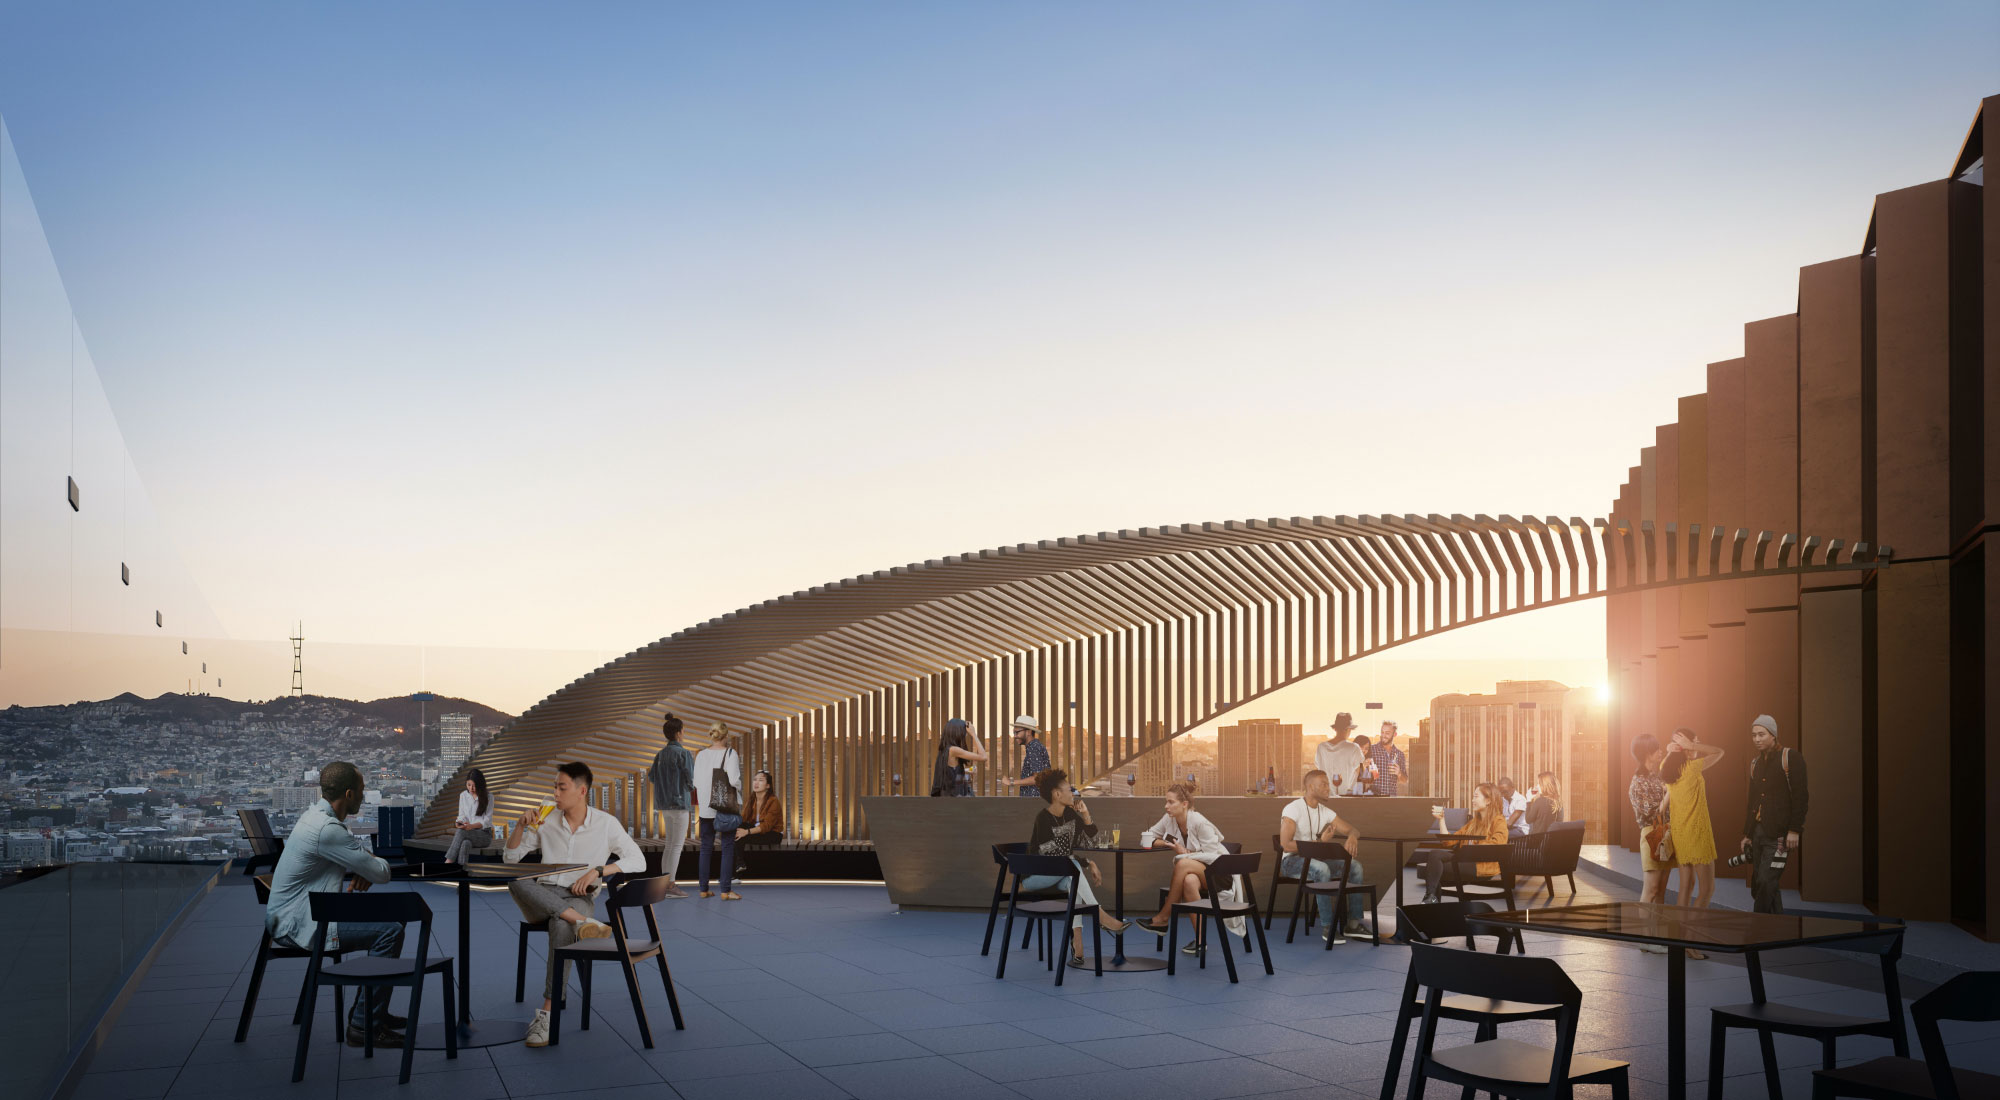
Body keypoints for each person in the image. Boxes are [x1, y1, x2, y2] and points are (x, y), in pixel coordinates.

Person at [505, 760, 643, 1049]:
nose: (555, 793)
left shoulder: (605, 824)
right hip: (541, 896)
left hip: (579, 897)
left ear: (582, 791)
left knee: (561, 926)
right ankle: (581, 922)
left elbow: (638, 860)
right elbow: (511, 860)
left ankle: (547, 1011)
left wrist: (600, 870)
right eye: (554, 786)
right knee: (516, 880)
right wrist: (520, 826)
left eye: (561, 787)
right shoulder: (545, 819)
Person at [267, 761, 403, 1048]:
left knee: (396, 917)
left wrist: (359, 868)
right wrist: (365, 867)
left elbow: (361, 865)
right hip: (300, 923)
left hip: (297, 912)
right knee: (389, 931)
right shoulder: (328, 830)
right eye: (363, 790)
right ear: (350, 794)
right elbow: (382, 873)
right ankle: (364, 1025)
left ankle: (372, 1013)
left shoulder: (314, 817)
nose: (365, 795)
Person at [1021, 768, 1130, 964]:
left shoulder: (1070, 816)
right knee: (1072, 866)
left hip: (1062, 872)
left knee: (1074, 879)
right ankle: (1101, 917)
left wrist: (1086, 816)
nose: (1073, 793)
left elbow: (1092, 843)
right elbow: (1053, 855)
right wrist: (1088, 862)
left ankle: (1077, 943)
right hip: (1035, 876)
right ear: (1057, 794)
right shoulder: (1043, 819)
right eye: (1069, 789)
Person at [1277, 769, 1371, 941]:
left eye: (1328, 784)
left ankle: (1353, 925)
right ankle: (1328, 927)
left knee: (1355, 866)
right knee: (1322, 869)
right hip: (1291, 862)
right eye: (1324, 784)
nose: (1329, 788)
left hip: (1314, 859)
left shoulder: (1325, 811)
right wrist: (1319, 843)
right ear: (1311, 787)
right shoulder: (1292, 809)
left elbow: (1353, 829)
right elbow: (1286, 845)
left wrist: (1352, 837)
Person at [1134, 783, 1228, 952]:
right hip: (1197, 874)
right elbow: (1146, 840)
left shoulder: (1199, 822)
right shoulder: (1168, 819)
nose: (1166, 806)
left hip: (1219, 873)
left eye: (1171, 802)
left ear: (1184, 804)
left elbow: (1212, 857)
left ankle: (1163, 918)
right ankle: (1200, 941)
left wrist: (1186, 853)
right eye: (1166, 802)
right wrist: (1169, 844)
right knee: (1189, 881)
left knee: (1183, 863)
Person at [1662, 728, 1724, 953]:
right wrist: (1692, 746)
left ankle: (1679, 940)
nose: (1697, 745)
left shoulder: (1667, 768)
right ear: (1685, 746)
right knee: (1707, 889)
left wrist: (1675, 749)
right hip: (1697, 834)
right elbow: (1719, 751)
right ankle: (1692, 943)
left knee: (1685, 888)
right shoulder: (1692, 767)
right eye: (1694, 742)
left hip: (1680, 834)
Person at [1741, 714, 1806, 914]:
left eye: (1761, 734)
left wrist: (1795, 830)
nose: (1757, 739)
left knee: (1766, 881)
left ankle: (1756, 932)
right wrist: (1747, 835)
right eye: (1754, 735)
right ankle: (1777, 927)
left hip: (1779, 835)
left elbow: (1801, 797)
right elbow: (1752, 802)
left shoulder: (1790, 757)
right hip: (1759, 833)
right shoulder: (1755, 764)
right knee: (1763, 885)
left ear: (1773, 735)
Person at [1418, 782, 1510, 903]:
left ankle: (1431, 901)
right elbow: (1449, 842)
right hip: (1466, 859)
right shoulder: (1473, 823)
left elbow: (1498, 845)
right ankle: (1430, 898)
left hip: (1481, 866)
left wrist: (1471, 848)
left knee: (1434, 872)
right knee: (1435, 855)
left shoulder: (1498, 820)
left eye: (1476, 796)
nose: (1472, 800)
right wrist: (1441, 820)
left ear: (1488, 800)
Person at [646, 712, 696, 899]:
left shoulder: (660, 754)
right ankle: (671, 885)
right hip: (680, 804)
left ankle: (664, 884)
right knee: (676, 846)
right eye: (683, 730)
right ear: (678, 733)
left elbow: (652, 778)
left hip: (664, 804)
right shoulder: (684, 753)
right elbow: (691, 781)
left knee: (669, 845)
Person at [693, 722, 744, 899]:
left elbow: (696, 782)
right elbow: (734, 780)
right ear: (726, 736)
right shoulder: (730, 753)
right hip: (725, 808)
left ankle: (703, 889)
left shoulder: (701, 755)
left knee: (706, 847)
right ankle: (725, 891)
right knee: (727, 847)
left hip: (706, 808)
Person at [1629, 733, 1676, 922]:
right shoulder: (1638, 782)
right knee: (1651, 889)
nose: (1661, 751)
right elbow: (1652, 814)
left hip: (1665, 833)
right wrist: (1670, 792)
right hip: (1652, 834)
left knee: (1662, 890)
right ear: (1647, 753)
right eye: (1657, 749)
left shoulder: (1656, 777)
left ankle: (1657, 934)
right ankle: (1645, 938)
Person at [734, 769, 786, 880]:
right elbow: (743, 819)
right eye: (755, 780)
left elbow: (766, 827)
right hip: (756, 831)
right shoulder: (752, 799)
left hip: (773, 834)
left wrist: (746, 832)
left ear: (768, 785)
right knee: (737, 831)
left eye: (761, 780)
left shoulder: (773, 801)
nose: (756, 783)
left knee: (740, 836)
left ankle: (737, 872)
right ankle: (738, 867)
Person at [442, 768, 495, 864]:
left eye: (474, 786)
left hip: (484, 835)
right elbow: (462, 816)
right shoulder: (463, 795)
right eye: (469, 785)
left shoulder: (489, 797)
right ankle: (462, 874)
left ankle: (448, 862)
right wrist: (459, 822)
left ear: (480, 785)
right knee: (465, 843)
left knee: (461, 832)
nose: (471, 788)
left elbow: (487, 821)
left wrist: (471, 826)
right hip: (468, 832)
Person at [930, 718, 987, 797]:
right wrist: (973, 734)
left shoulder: (944, 750)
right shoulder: (954, 750)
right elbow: (983, 757)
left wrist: (966, 771)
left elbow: (949, 773)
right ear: (958, 733)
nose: (965, 734)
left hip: (947, 797)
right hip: (955, 798)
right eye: (964, 732)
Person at [1317, 713, 1367, 796]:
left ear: (1335, 729)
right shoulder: (1353, 748)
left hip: (1326, 797)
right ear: (1348, 729)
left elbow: (1318, 773)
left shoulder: (1321, 747)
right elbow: (1361, 774)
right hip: (1347, 798)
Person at [1007, 716, 1050, 797]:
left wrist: (1012, 782)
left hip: (1034, 801)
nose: (1015, 736)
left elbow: (1037, 778)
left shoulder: (1034, 748)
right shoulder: (1033, 746)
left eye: (1017, 732)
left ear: (1028, 732)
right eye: (1014, 733)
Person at [1368, 721, 1408, 796]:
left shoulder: (1400, 754)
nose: (1383, 735)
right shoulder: (1371, 750)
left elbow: (1404, 780)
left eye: (1387, 733)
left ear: (1394, 734)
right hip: (1374, 800)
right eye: (1382, 732)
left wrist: (1399, 773)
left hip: (1391, 801)